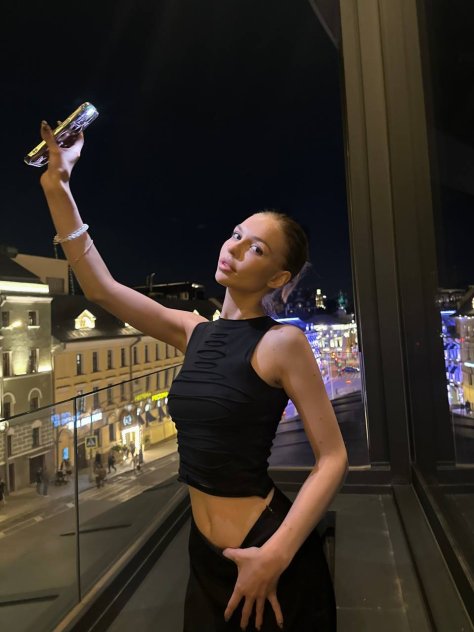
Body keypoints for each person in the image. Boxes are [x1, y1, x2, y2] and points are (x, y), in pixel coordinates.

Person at [38, 121, 348, 631]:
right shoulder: (192, 330)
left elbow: (333, 458)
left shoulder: (282, 342)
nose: (235, 247)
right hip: (204, 554)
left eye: (256, 248)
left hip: (265, 552)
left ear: (278, 278)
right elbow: (100, 288)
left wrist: (275, 554)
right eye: (237, 234)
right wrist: (59, 187)